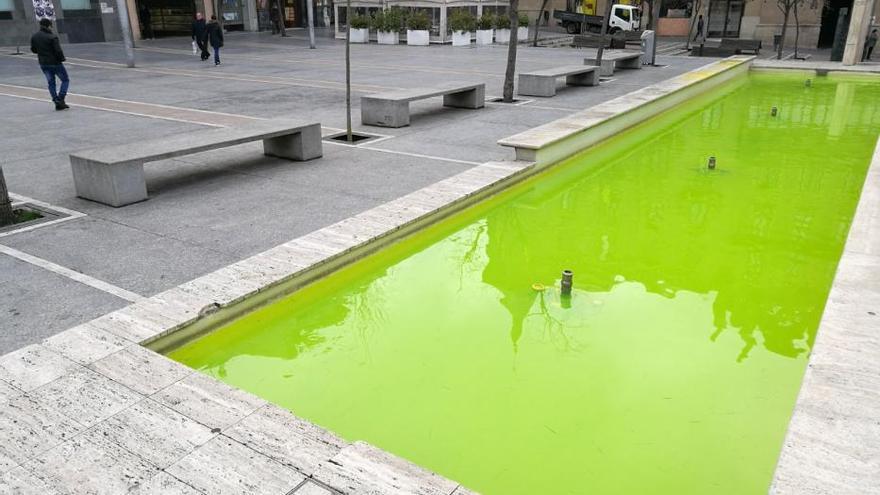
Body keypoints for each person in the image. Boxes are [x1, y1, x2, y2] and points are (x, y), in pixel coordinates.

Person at [30, 18, 69, 111]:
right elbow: (58, 50)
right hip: (55, 63)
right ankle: (61, 98)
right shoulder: (52, 37)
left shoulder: (35, 36)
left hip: (43, 63)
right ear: (48, 25)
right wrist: (62, 59)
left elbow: (33, 50)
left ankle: (56, 101)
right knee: (65, 80)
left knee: (51, 83)